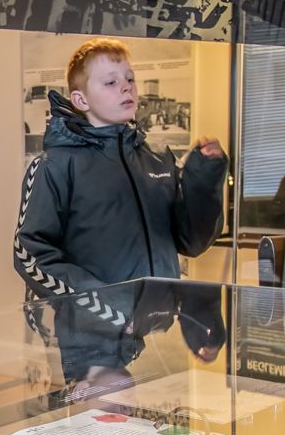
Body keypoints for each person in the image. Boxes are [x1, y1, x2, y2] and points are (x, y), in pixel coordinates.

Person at [12, 37, 228, 383]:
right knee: (103, 418)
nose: (126, 87)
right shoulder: (56, 166)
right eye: (110, 82)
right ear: (81, 100)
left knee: (151, 420)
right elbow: (30, 253)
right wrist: (107, 304)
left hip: (157, 334)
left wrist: (204, 178)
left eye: (129, 79)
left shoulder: (155, 160)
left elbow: (191, 241)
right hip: (92, 340)